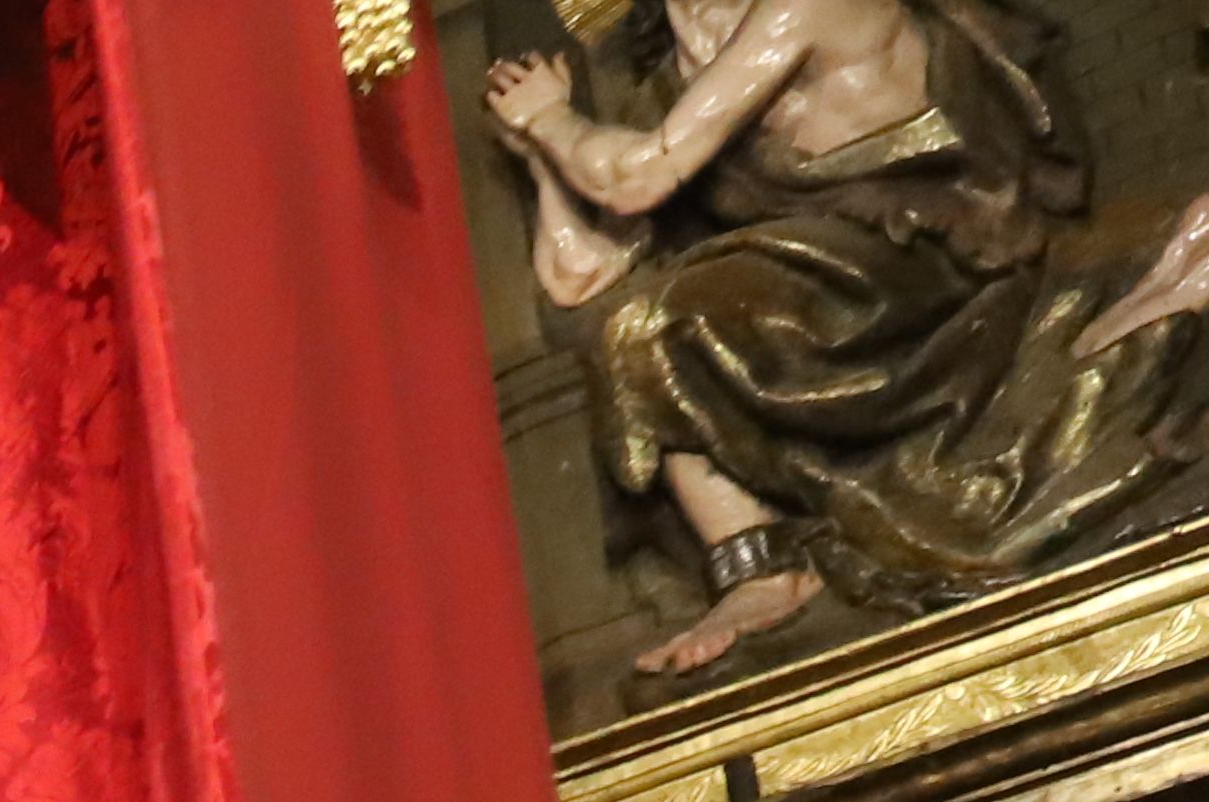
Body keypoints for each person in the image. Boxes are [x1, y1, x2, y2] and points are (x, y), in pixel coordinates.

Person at [486, 0, 1209, 676]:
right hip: (823, 280)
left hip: (926, 252)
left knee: (660, 324)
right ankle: (758, 569)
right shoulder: (676, 78)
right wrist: (538, 159)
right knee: (632, 334)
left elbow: (638, 177)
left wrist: (555, 123)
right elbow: (583, 272)